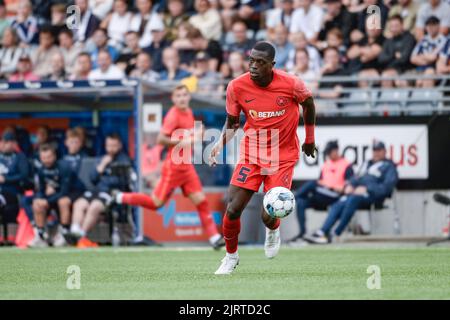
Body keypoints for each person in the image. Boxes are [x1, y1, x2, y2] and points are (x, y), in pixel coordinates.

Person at [208, 41, 317, 274]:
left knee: (268, 215)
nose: (254, 66)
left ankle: (273, 229)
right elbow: (233, 123)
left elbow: (308, 105)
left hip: (282, 155)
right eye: (252, 61)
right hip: (251, 154)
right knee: (233, 209)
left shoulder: (291, 84)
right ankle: (231, 257)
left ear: (272, 65)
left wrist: (309, 139)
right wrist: (219, 144)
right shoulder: (236, 86)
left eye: (261, 62)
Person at [113, 85, 224, 249]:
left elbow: (189, 137)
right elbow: (160, 139)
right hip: (173, 168)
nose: (182, 98)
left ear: (188, 97)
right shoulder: (173, 115)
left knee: (201, 202)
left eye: (184, 95)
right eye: (178, 96)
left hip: (187, 168)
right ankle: (121, 197)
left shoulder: (189, 112)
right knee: (155, 203)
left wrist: (197, 134)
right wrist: (185, 140)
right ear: (173, 99)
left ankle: (214, 238)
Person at [305, 140, 398, 244]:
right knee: (340, 201)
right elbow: (356, 177)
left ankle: (336, 234)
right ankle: (322, 232)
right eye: (374, 150)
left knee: (352, 199)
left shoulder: (389, 167)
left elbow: (387, 188)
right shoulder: (367, 163)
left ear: (384, 151)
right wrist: (350, 185)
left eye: (379, 150)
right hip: (357, 194)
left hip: (374, 196)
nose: (376, 153)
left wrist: (367, 189)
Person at [70, 133, 132, 248]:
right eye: (109, 145)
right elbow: (92, 178)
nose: (111, 148)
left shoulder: (124, 160)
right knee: (79, 203)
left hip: (111, 193)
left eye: (114, 145)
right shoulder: (102, 159)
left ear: (119, 146)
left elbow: (122, 183)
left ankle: (81, 236)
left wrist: (108, 173)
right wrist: (102, 165)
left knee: (94, 206)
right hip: (96, 191)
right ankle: (74, 230)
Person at [290, 140, 353, 243]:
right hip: (322, 194)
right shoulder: (326, 164)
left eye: (330, 152)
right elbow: (321, 181)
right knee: (301, 202)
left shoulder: (346, 165)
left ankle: (292, 199)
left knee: (312, 184)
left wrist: (335, 187)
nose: (328, 155)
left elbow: (349, 186)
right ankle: (302, 233)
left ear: (336, 151)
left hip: (335, 195)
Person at [28, 143, 73, 248]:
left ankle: (64, 234)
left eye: (49, 157)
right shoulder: (41, 170)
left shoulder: (64, 167)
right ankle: (40, 236)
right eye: (43, 158)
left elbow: (65, 191)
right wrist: (39, 198)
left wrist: (48, 201)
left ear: (54, 156)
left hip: (70, 194)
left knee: (63, 201)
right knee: (36, 203)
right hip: (52, 197)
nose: (46, 160)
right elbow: (40, 190)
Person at [0, 132, 29, 232]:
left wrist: (5, 179)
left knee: (8, 208)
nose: (2, 145)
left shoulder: (19, 157)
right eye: (2, 142)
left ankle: (10, 237)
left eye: (5, 142)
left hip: (13, 191)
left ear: (13, 143)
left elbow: (24, 175)